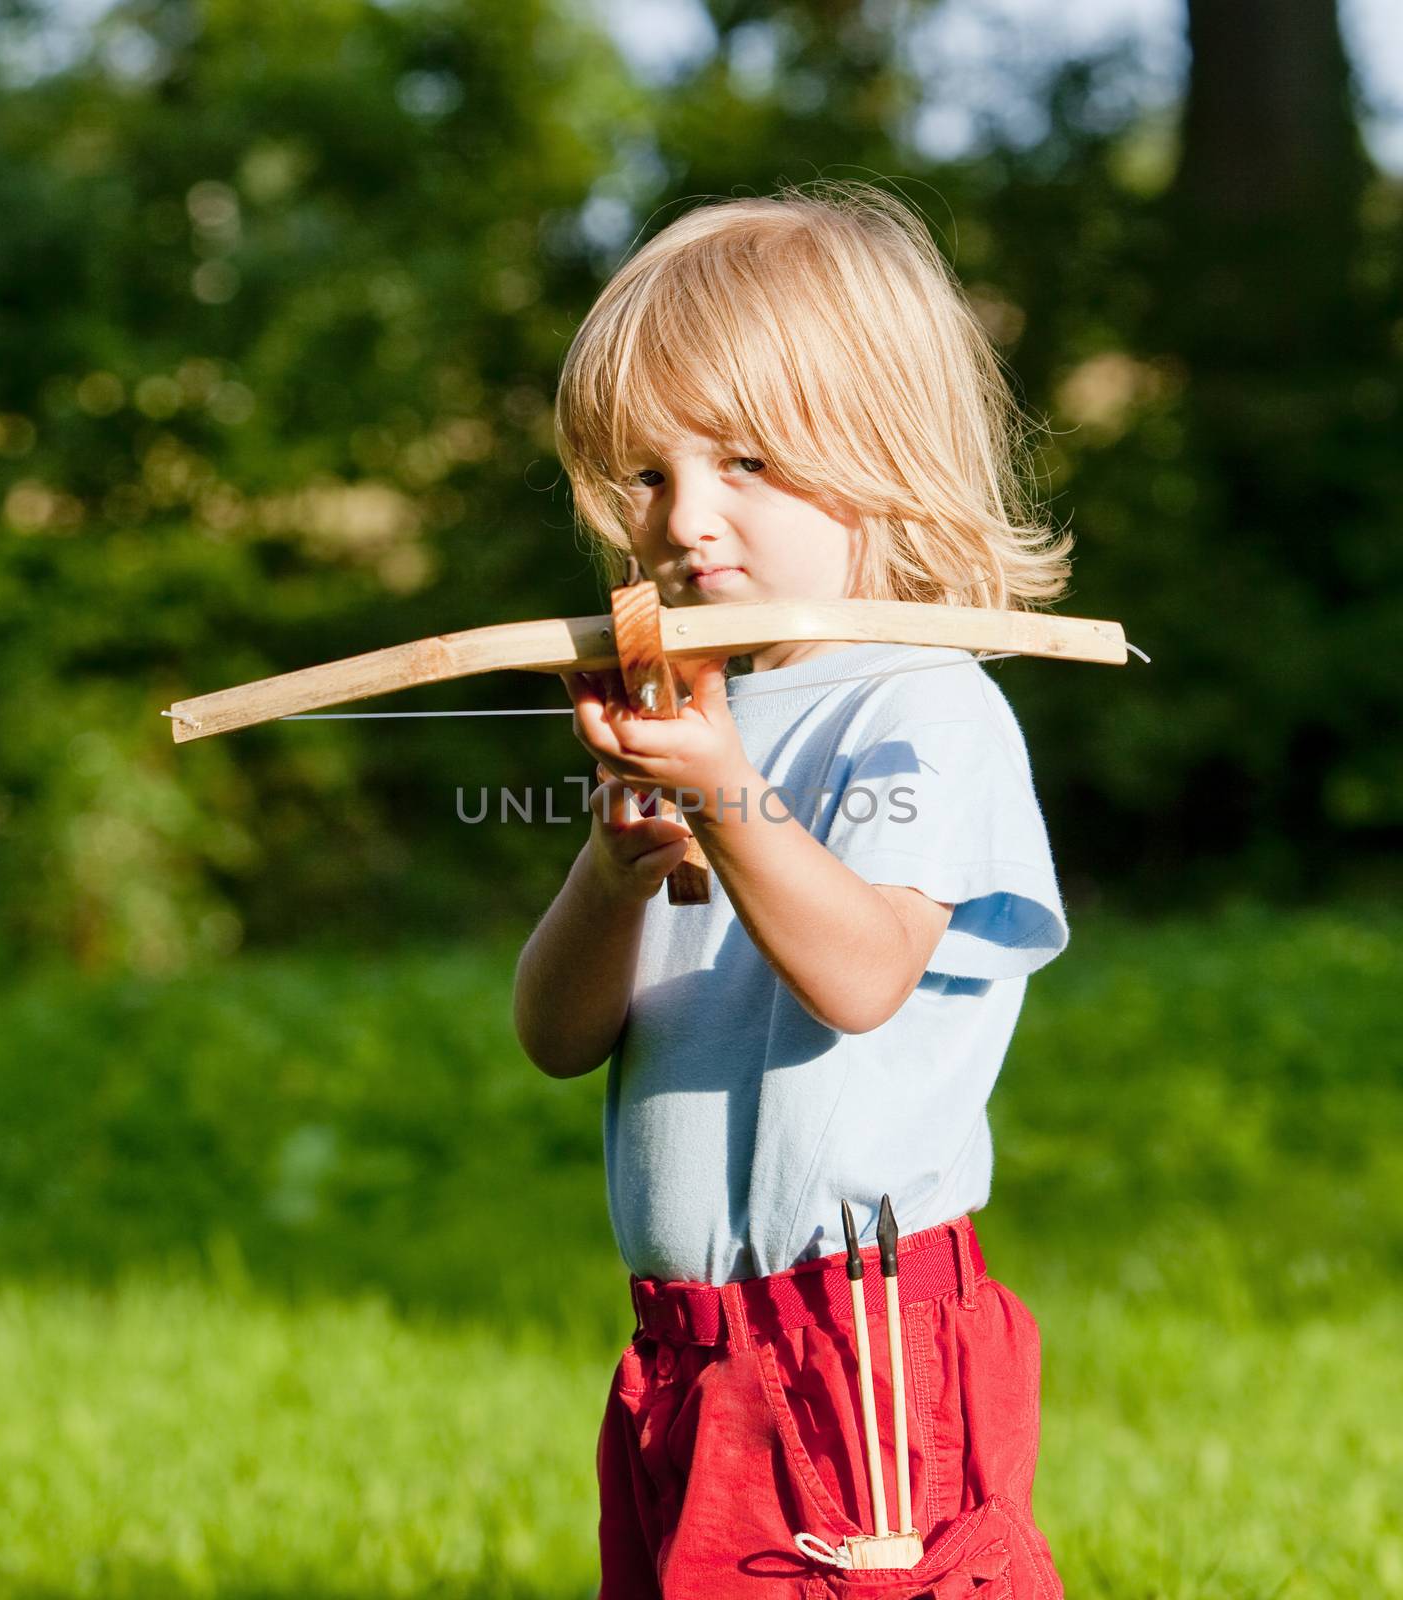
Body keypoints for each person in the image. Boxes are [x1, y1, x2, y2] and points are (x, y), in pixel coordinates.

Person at [513, 181, 1071, 1600]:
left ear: (881, 452)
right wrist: (612, 870)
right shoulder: (700, 711)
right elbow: (558, 1034)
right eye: (646, 474)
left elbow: (864, 970)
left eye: (747, 461)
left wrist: (722, 792)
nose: (686, 521)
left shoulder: (928, 705)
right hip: (685, 1344)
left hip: (857, 1339)